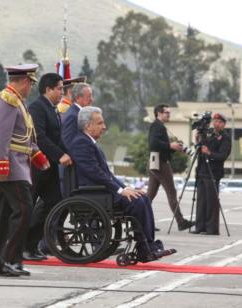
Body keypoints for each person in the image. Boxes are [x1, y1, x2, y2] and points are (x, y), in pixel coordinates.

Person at [70, 106, 173, 261]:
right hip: (92, 193)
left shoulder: (89, 143)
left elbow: (107, 175)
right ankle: (144, 248)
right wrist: (120, 191)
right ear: (87, 125)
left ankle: (148, 245)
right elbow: (95, 174)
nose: (104, 127)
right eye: (100, 123)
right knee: (136, 201)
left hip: (101, 191)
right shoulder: (80, 143)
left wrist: (125, 188)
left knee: (142, 197)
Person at [0, 64, 49, 277]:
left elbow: (25, 135)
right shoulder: (7, 100)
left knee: (3, 217)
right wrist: (1, 163)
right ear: (23, 81)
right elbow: (0, 136)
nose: (31, 87)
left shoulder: (18, 101)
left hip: (19, 162)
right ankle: (10, 260)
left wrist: (35, 153)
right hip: (11, 165)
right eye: (31, 83)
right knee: (23, 212)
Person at [25, 73, 72, 260]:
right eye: (59, 88)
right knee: (27, 207)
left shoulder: (52, 109)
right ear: (48, 89)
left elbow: (58, 138)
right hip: (36, 166)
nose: (62, 92)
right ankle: (20, 246)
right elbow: (40, 137)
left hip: (50, 168)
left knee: (53, 204)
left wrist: (70, 153)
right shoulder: (37, 108)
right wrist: (60, 155)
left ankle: (32, 243)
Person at [147, 104, 193, 232]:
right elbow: (153, 144)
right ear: (159, 113)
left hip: (155, 162)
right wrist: (170, 145)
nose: (169, 114)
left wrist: (174, 148)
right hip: (160, 163)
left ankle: (143, 222)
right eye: (166, 112)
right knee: (172, 193)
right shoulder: (157, 126)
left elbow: (161, 147)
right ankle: (181, 221)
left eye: (169, 112)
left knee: (149, 195)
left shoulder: (158, 125)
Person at [192, 113, 231, 235]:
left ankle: (211, 229)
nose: (216, 124)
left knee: (212, 201)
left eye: (220, 122)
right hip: (202, 170)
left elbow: (222, 155)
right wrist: (197, 140)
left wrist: (209, 153)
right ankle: (200, 227)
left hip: (213, 172)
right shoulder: (208, 134)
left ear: (224, 124)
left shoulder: (225, 138)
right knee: (201, 200)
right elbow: (199, 150)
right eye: (215, 121)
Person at [61, 82, 93, 148]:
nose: (92, 100)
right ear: (78, 98)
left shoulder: (77, 113)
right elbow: (68, 143)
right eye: (89, 96)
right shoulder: (73, 116)